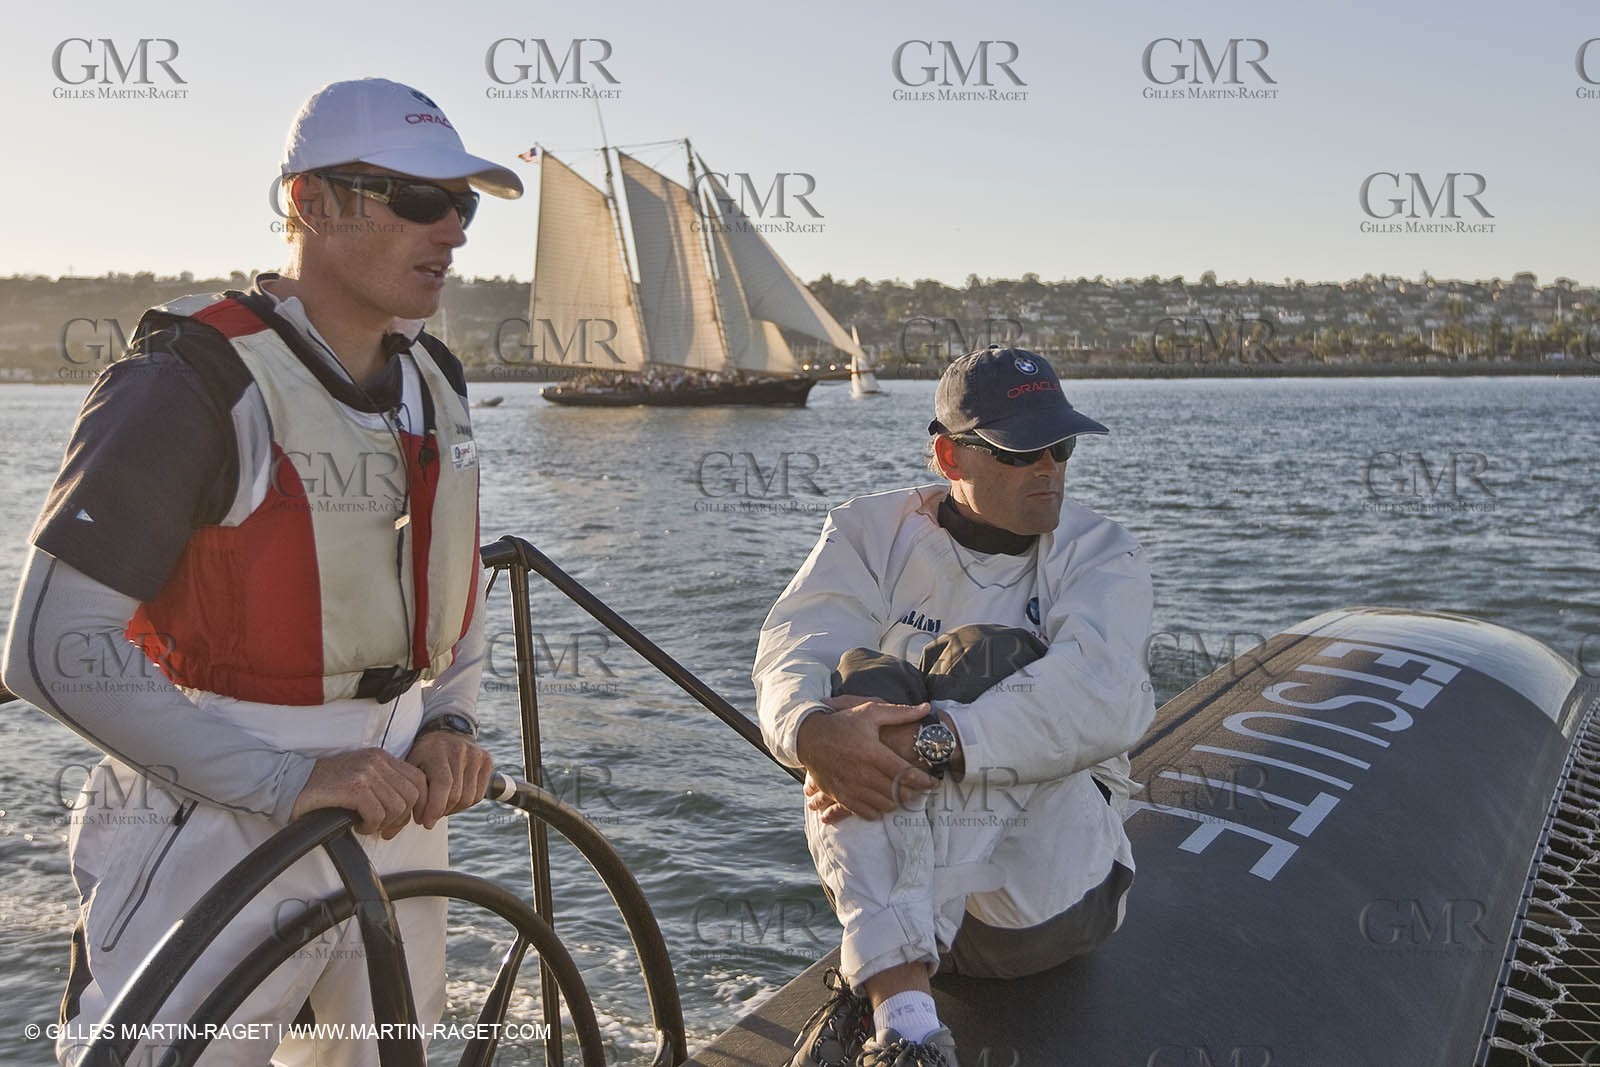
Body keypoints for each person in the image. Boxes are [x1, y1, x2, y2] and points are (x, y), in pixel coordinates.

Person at [1, 77, 520, 1066]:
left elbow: (454, 584)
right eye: (417, 199)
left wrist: (450, 716)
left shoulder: (434, 380)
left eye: (463, 203)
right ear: (310, 203)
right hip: (211, 810)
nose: (451, 229)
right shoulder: (187, 384)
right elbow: (50, 648)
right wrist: (283, 777)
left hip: (401, 794)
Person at [753, 346, 1156, 1067]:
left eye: (1061, 445)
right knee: (849, 691)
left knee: (980, 660)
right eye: (1022, 449)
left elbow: (1106, 696)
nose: (1051, 467)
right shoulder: (868, 533)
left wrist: (931, 739)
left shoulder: (1099, 553)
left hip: (1048, 894)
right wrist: (814, 734)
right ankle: (906, 1025)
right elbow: (795, 649)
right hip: (921, 910)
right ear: (949, 456)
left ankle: (882, 980)